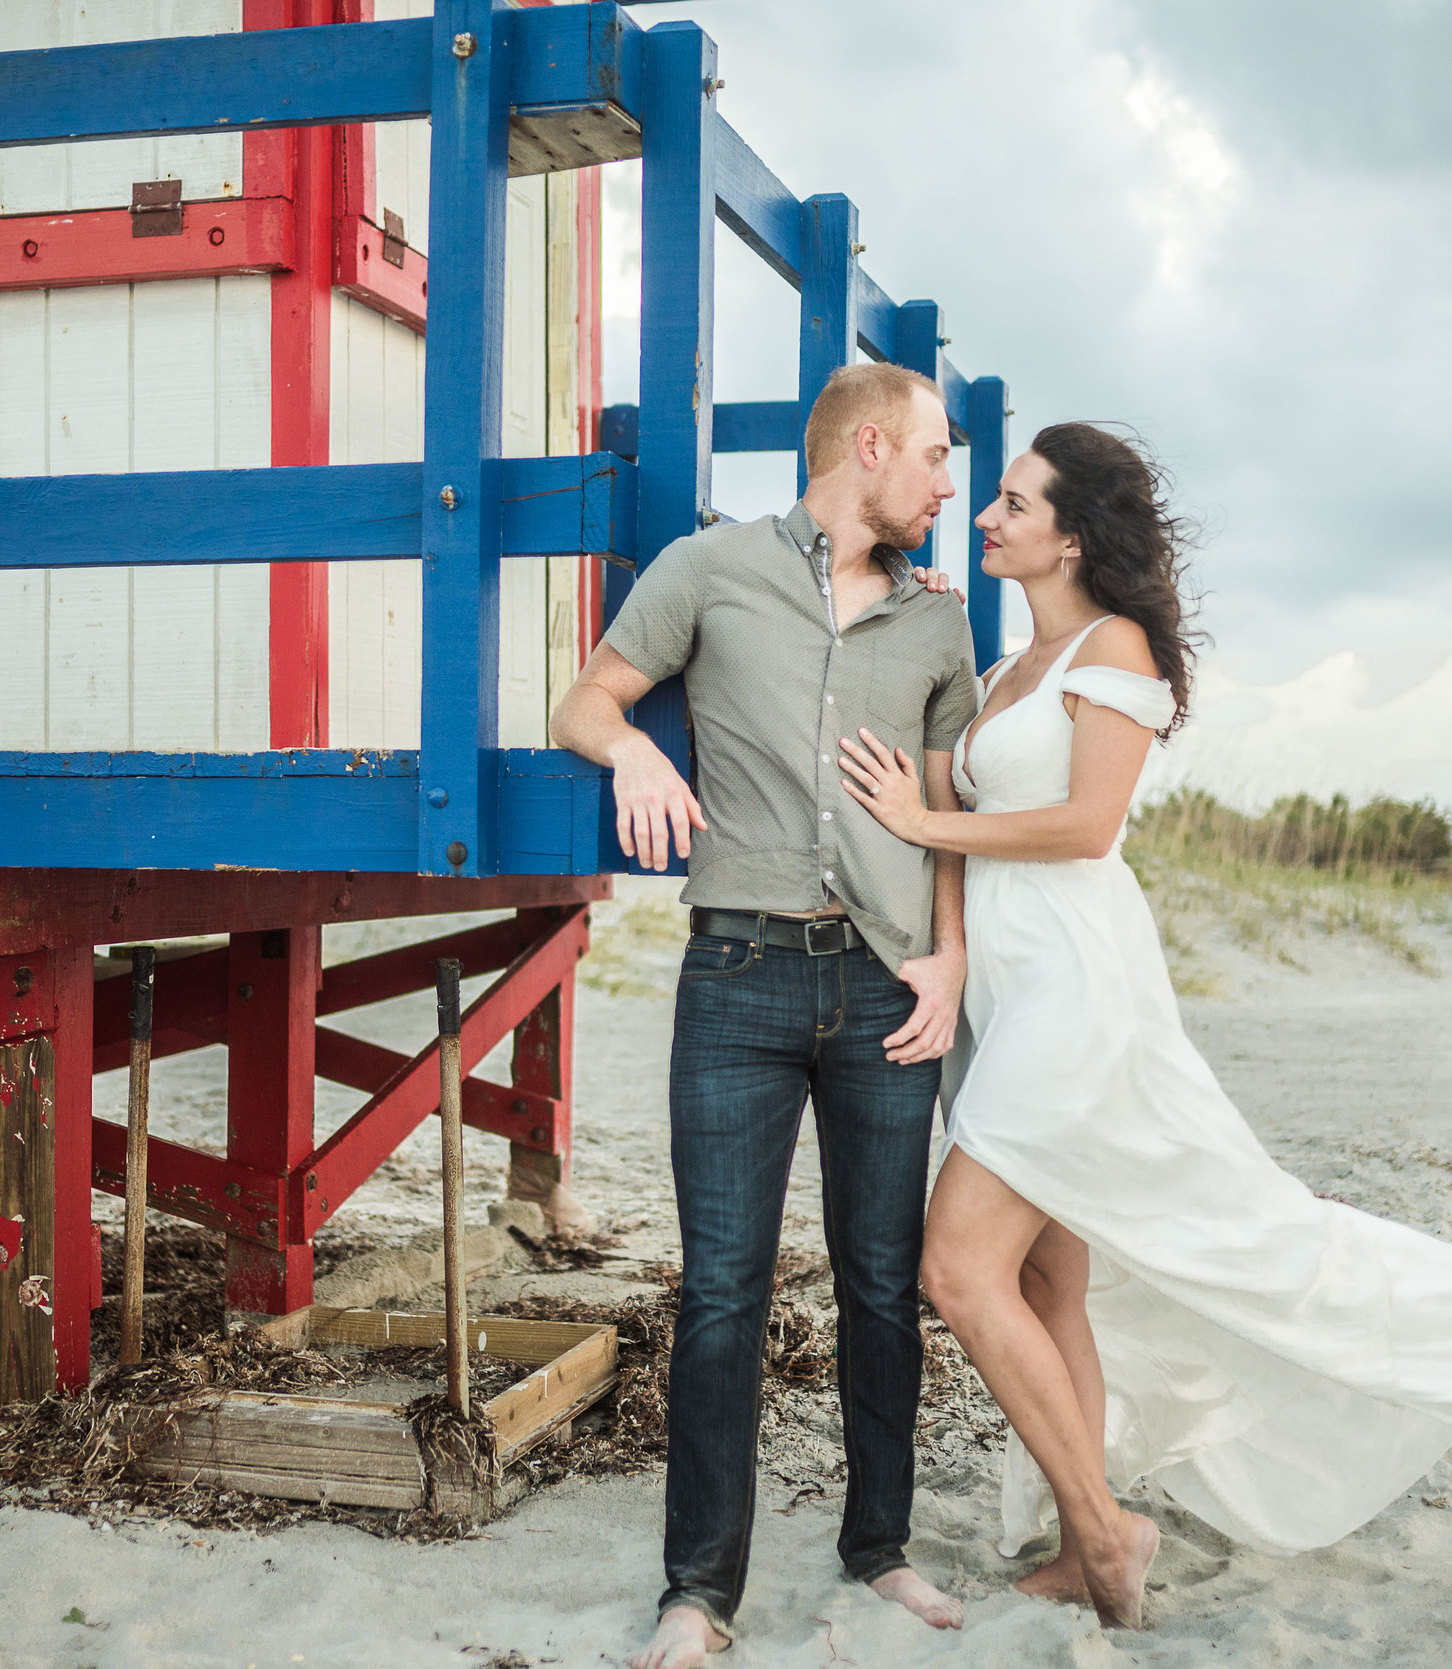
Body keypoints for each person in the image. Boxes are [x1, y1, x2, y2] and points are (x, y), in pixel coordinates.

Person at [836, 422, 1452, 1629]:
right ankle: (1072, 1531)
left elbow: (1088, 824)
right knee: (1049, 1275)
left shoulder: (1116, 645)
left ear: (1073, 536)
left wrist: (927, 826)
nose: (984, 515)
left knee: (956, 1265)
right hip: (1006, 992)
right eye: (987, 497)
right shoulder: (1007, 667)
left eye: (1011, 501)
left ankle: (1105, 1532)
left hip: (1077, 995)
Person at [549, 364, 981, 1669]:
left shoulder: (939, 628)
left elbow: (952, 808)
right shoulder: (710, 567)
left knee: (883, 1287)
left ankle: (881, 1548)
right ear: (867, 446)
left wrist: (950, 959)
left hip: (889, 984)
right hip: (737, 978)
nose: (947, 483)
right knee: (723, 1293)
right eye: (933, 457)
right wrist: (627, 748)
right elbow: (585, 697)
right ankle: (700, 1590)